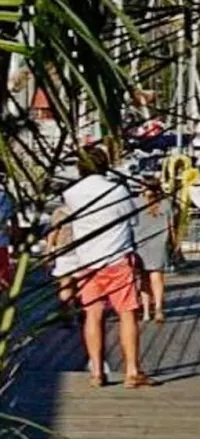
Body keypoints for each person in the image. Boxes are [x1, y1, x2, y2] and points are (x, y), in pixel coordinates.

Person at [51, 144, 151, 388]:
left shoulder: (72, 193)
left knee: (92, 316)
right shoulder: (118, 190)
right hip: (117, 258)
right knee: (127, 314)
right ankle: (131, 371)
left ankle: (96, 371)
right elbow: (133, 220)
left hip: (87, 262)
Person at [134, 178, 171, 323]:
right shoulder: (165, 203)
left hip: (140, 243)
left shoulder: (136, 203)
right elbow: (171, 225)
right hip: (159, 243)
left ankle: (145, 312)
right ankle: (158, 308)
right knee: (157, 278)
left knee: (143, 279)